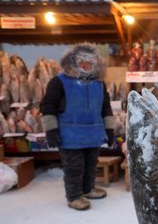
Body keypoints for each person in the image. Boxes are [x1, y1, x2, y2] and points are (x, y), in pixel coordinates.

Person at [40, 43, 115, 210]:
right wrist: (51, 130)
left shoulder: (99, 84)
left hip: (93, 134)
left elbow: (106, 108)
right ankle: (74, 196)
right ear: (72, 61)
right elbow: (48, 106)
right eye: (82, 61)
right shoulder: (59, 82)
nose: (86, 65)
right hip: (70, 135)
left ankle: (88, 189)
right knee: (74, 167)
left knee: (90, 164)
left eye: (90, 62)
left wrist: (110, 130)